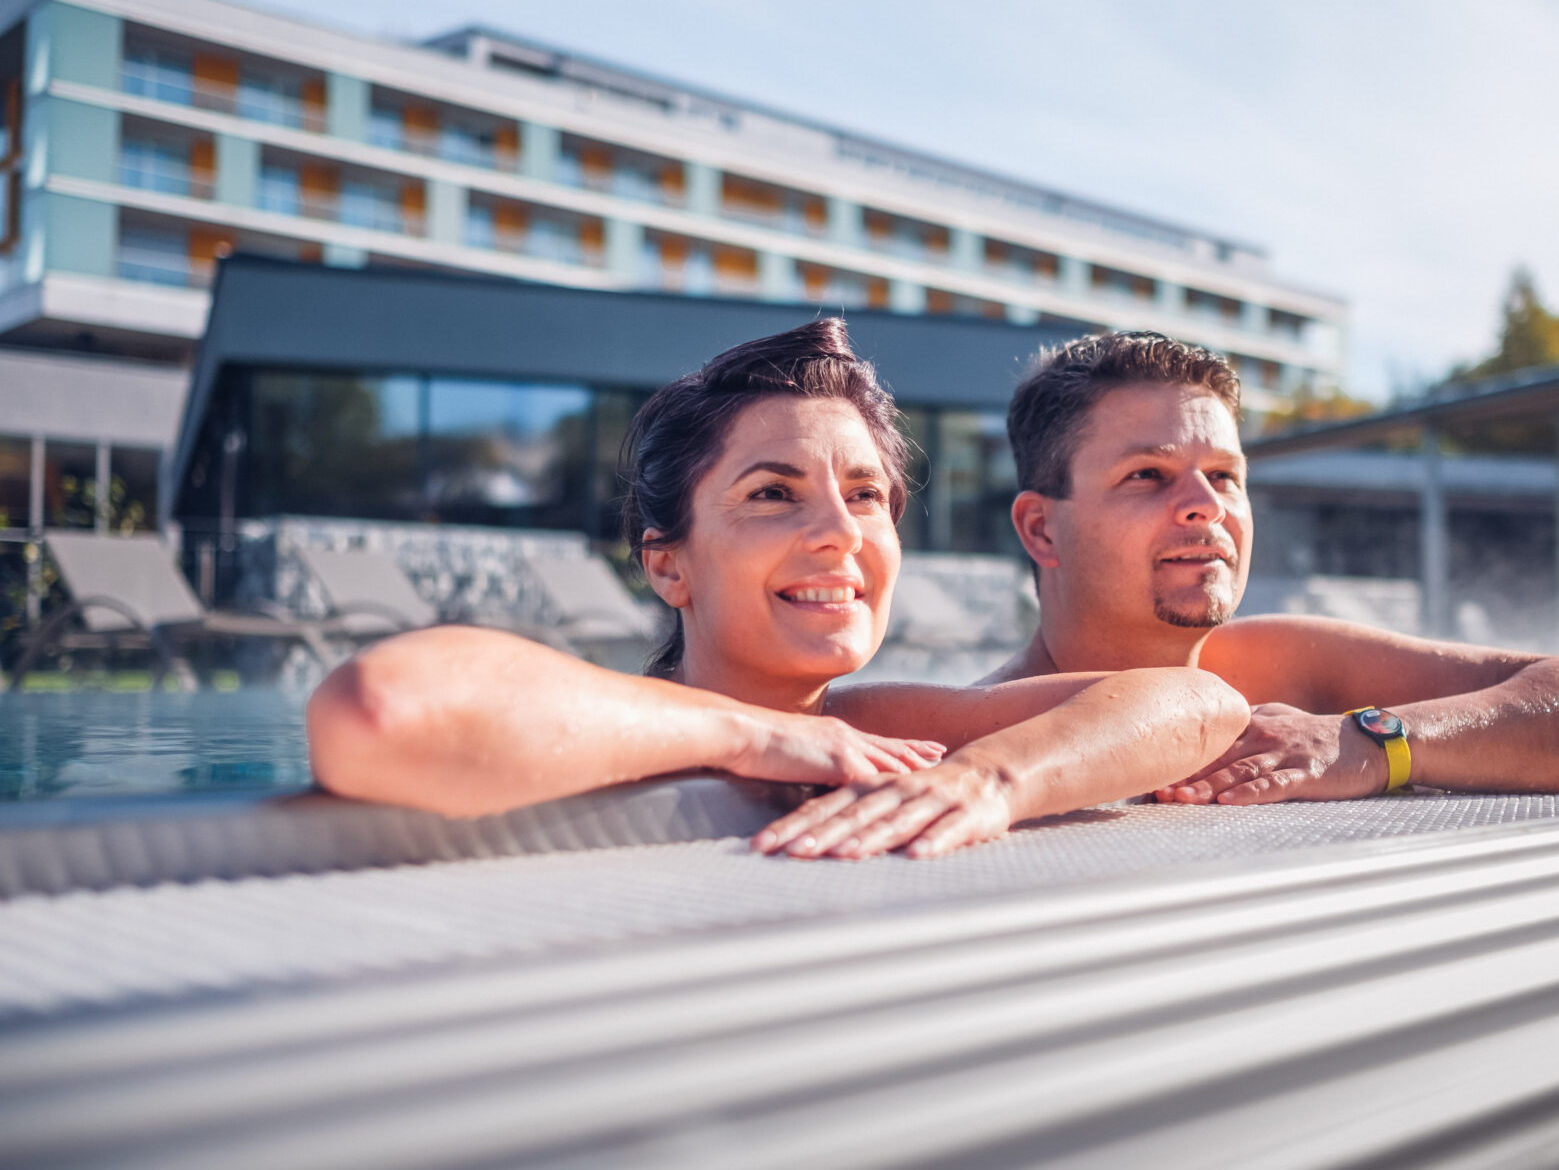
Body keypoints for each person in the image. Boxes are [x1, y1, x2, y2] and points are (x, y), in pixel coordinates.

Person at [308, 320, 1249, 858]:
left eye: (866, 495)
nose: (840, 532)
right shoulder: (610, 712)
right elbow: (378, 710)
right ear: (667, 562)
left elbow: (1199, 702)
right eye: (772, 493)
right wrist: (757, 733)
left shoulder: (877, 728)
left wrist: (995, 778)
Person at [984, 331, 1559, 802]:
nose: (1207, 506)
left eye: (1226, 477)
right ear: (1042, 529)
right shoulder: (976, 732)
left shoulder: (1290, 670)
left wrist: (1366, 741)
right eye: (1147, 475)